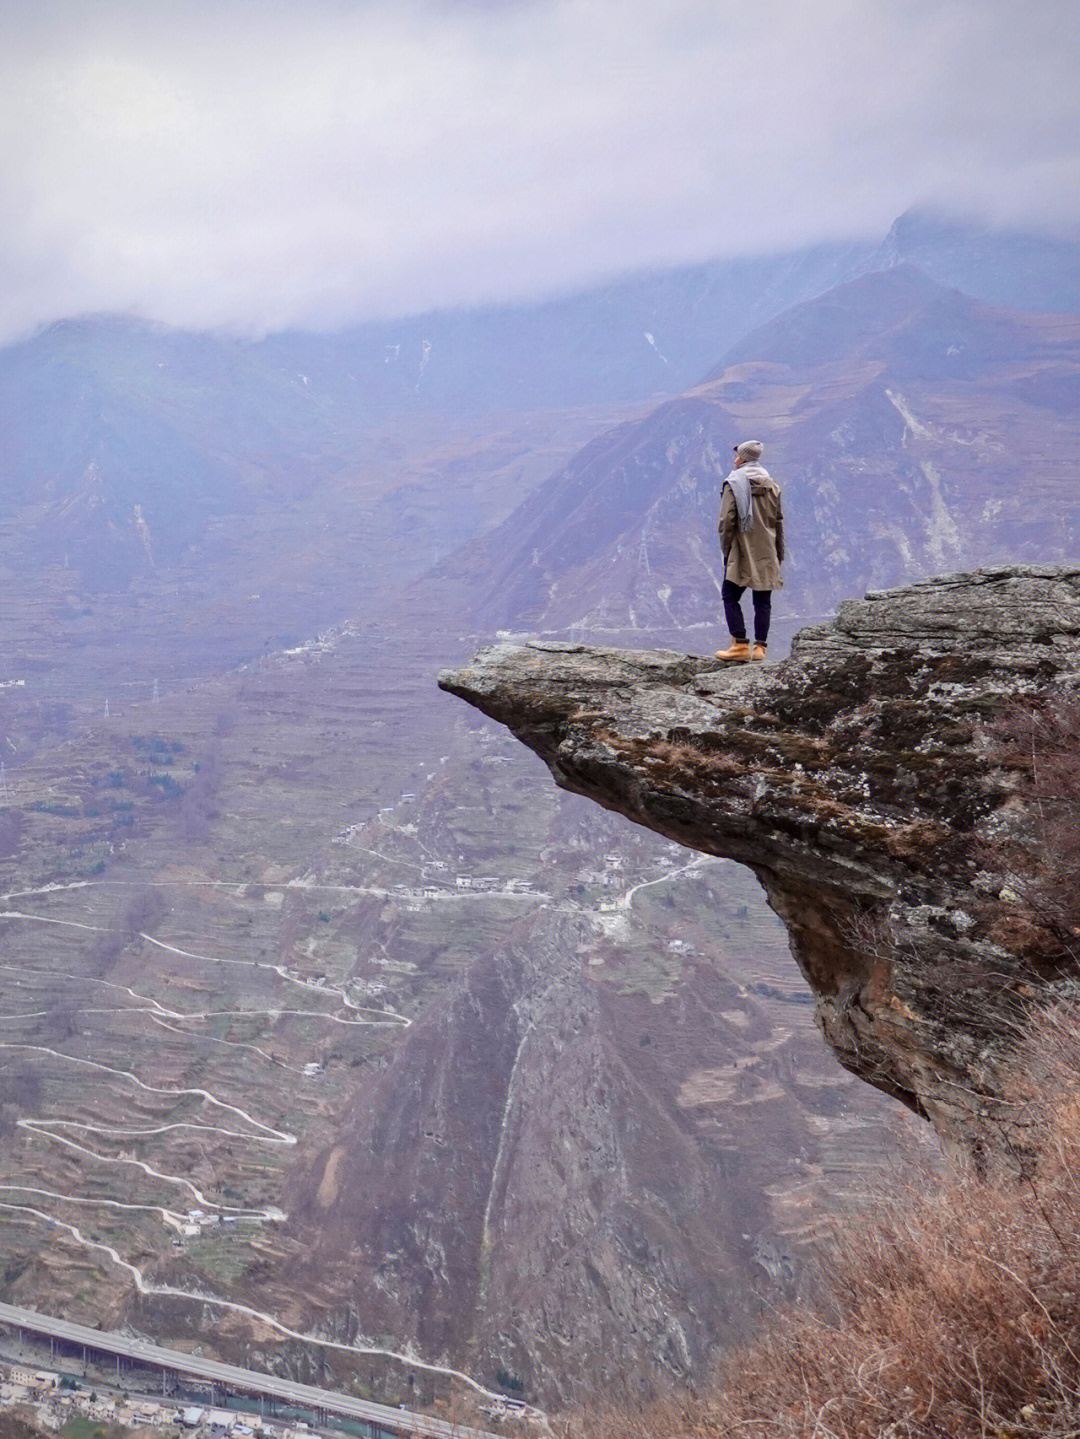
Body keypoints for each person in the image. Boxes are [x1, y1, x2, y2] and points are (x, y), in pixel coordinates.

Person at [715, 440, 784, 662]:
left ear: (743, 458)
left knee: (729, 595)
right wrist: (778, 554)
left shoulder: (733, 484)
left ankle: (739, 644)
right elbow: (778, 522)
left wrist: (727, 551)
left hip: (741, 550)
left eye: (737, 456)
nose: (735, 460)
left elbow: (727, 521)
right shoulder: (772, 486)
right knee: (762, 600)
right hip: (767, 550)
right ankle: (760, 648)